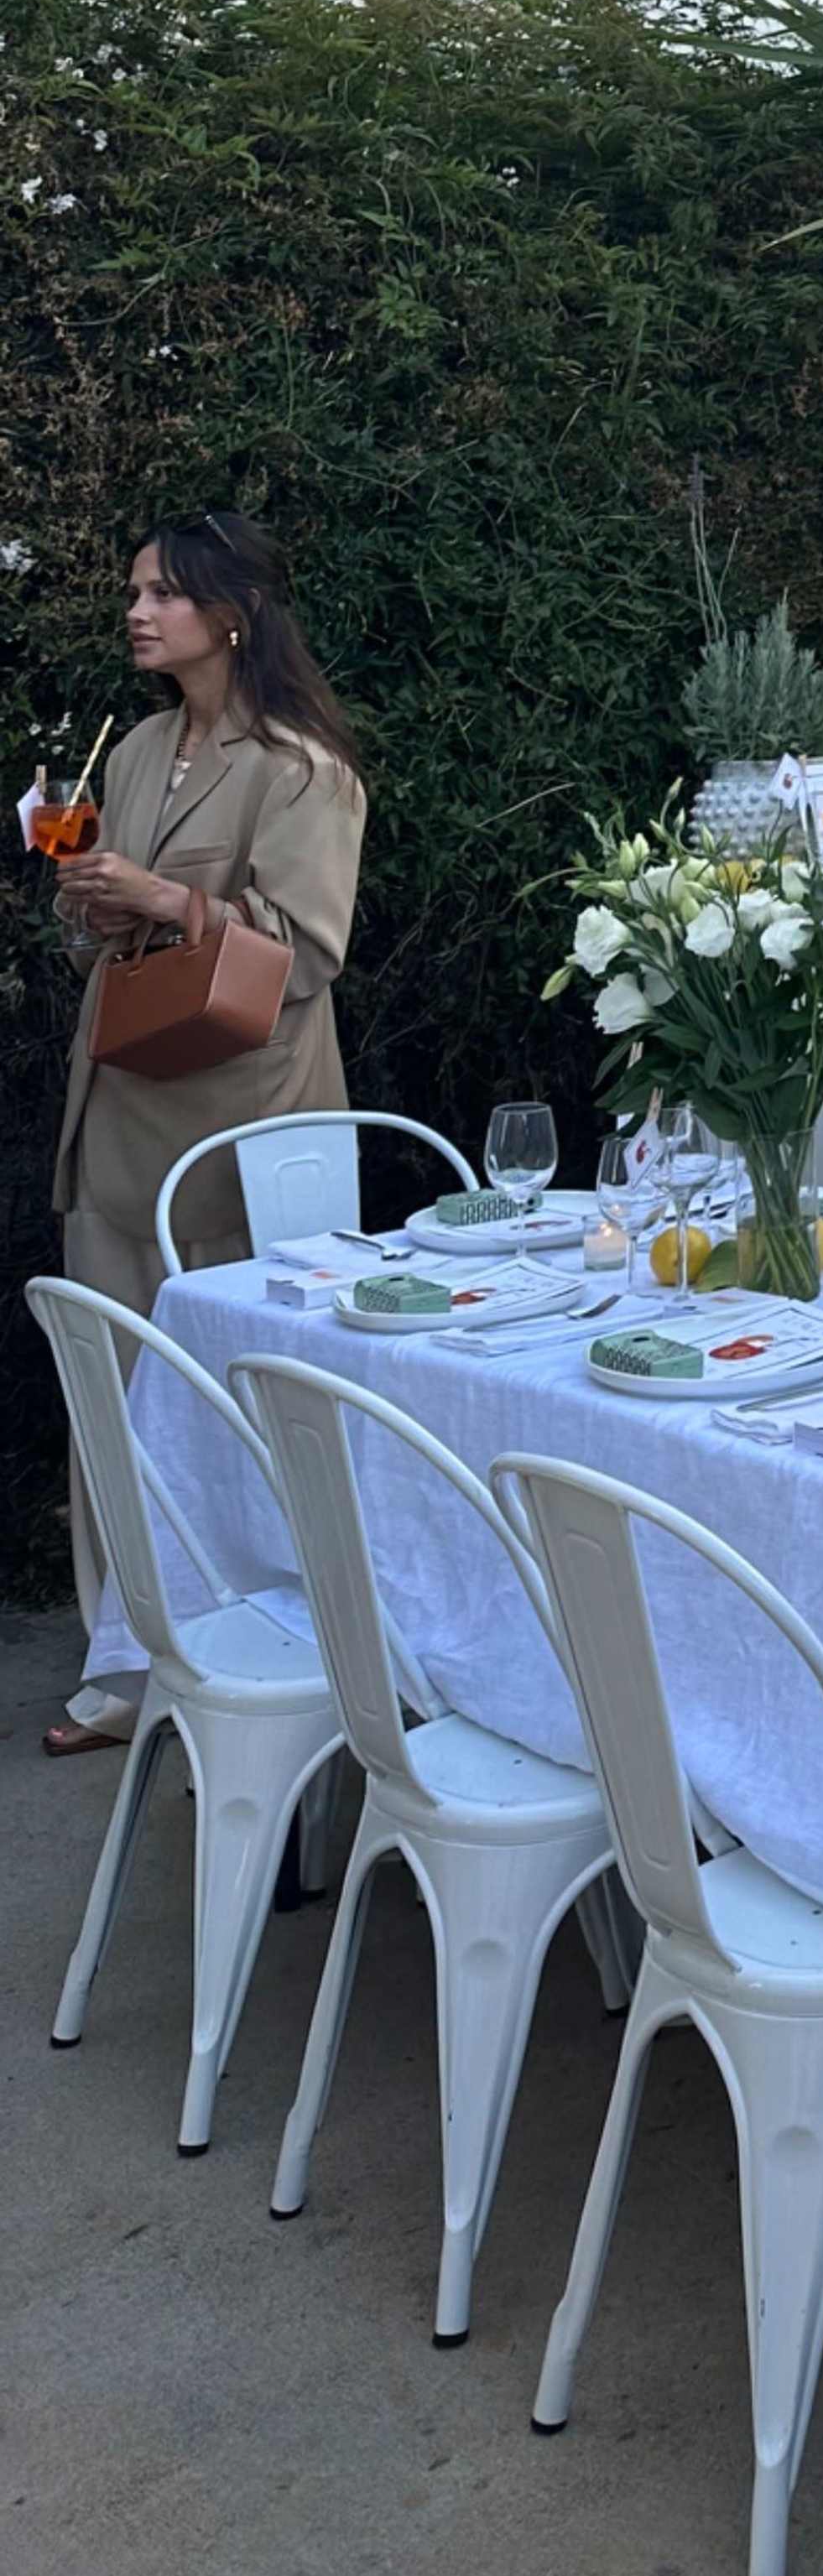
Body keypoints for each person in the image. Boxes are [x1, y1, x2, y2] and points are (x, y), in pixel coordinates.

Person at [43, 514, 367, 1754]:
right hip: (119, 1098)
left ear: (230, 615)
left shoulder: (302, 769)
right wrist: (93, 903)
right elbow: (106, 929)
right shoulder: (129, 751)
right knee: (111, 1394)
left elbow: (308, 951)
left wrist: (165, 897)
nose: (139, 612)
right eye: (133, 591)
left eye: (165, 594)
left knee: (232, 1400)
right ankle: (123, 1671)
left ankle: (261, 1646)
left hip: (244, 1124)